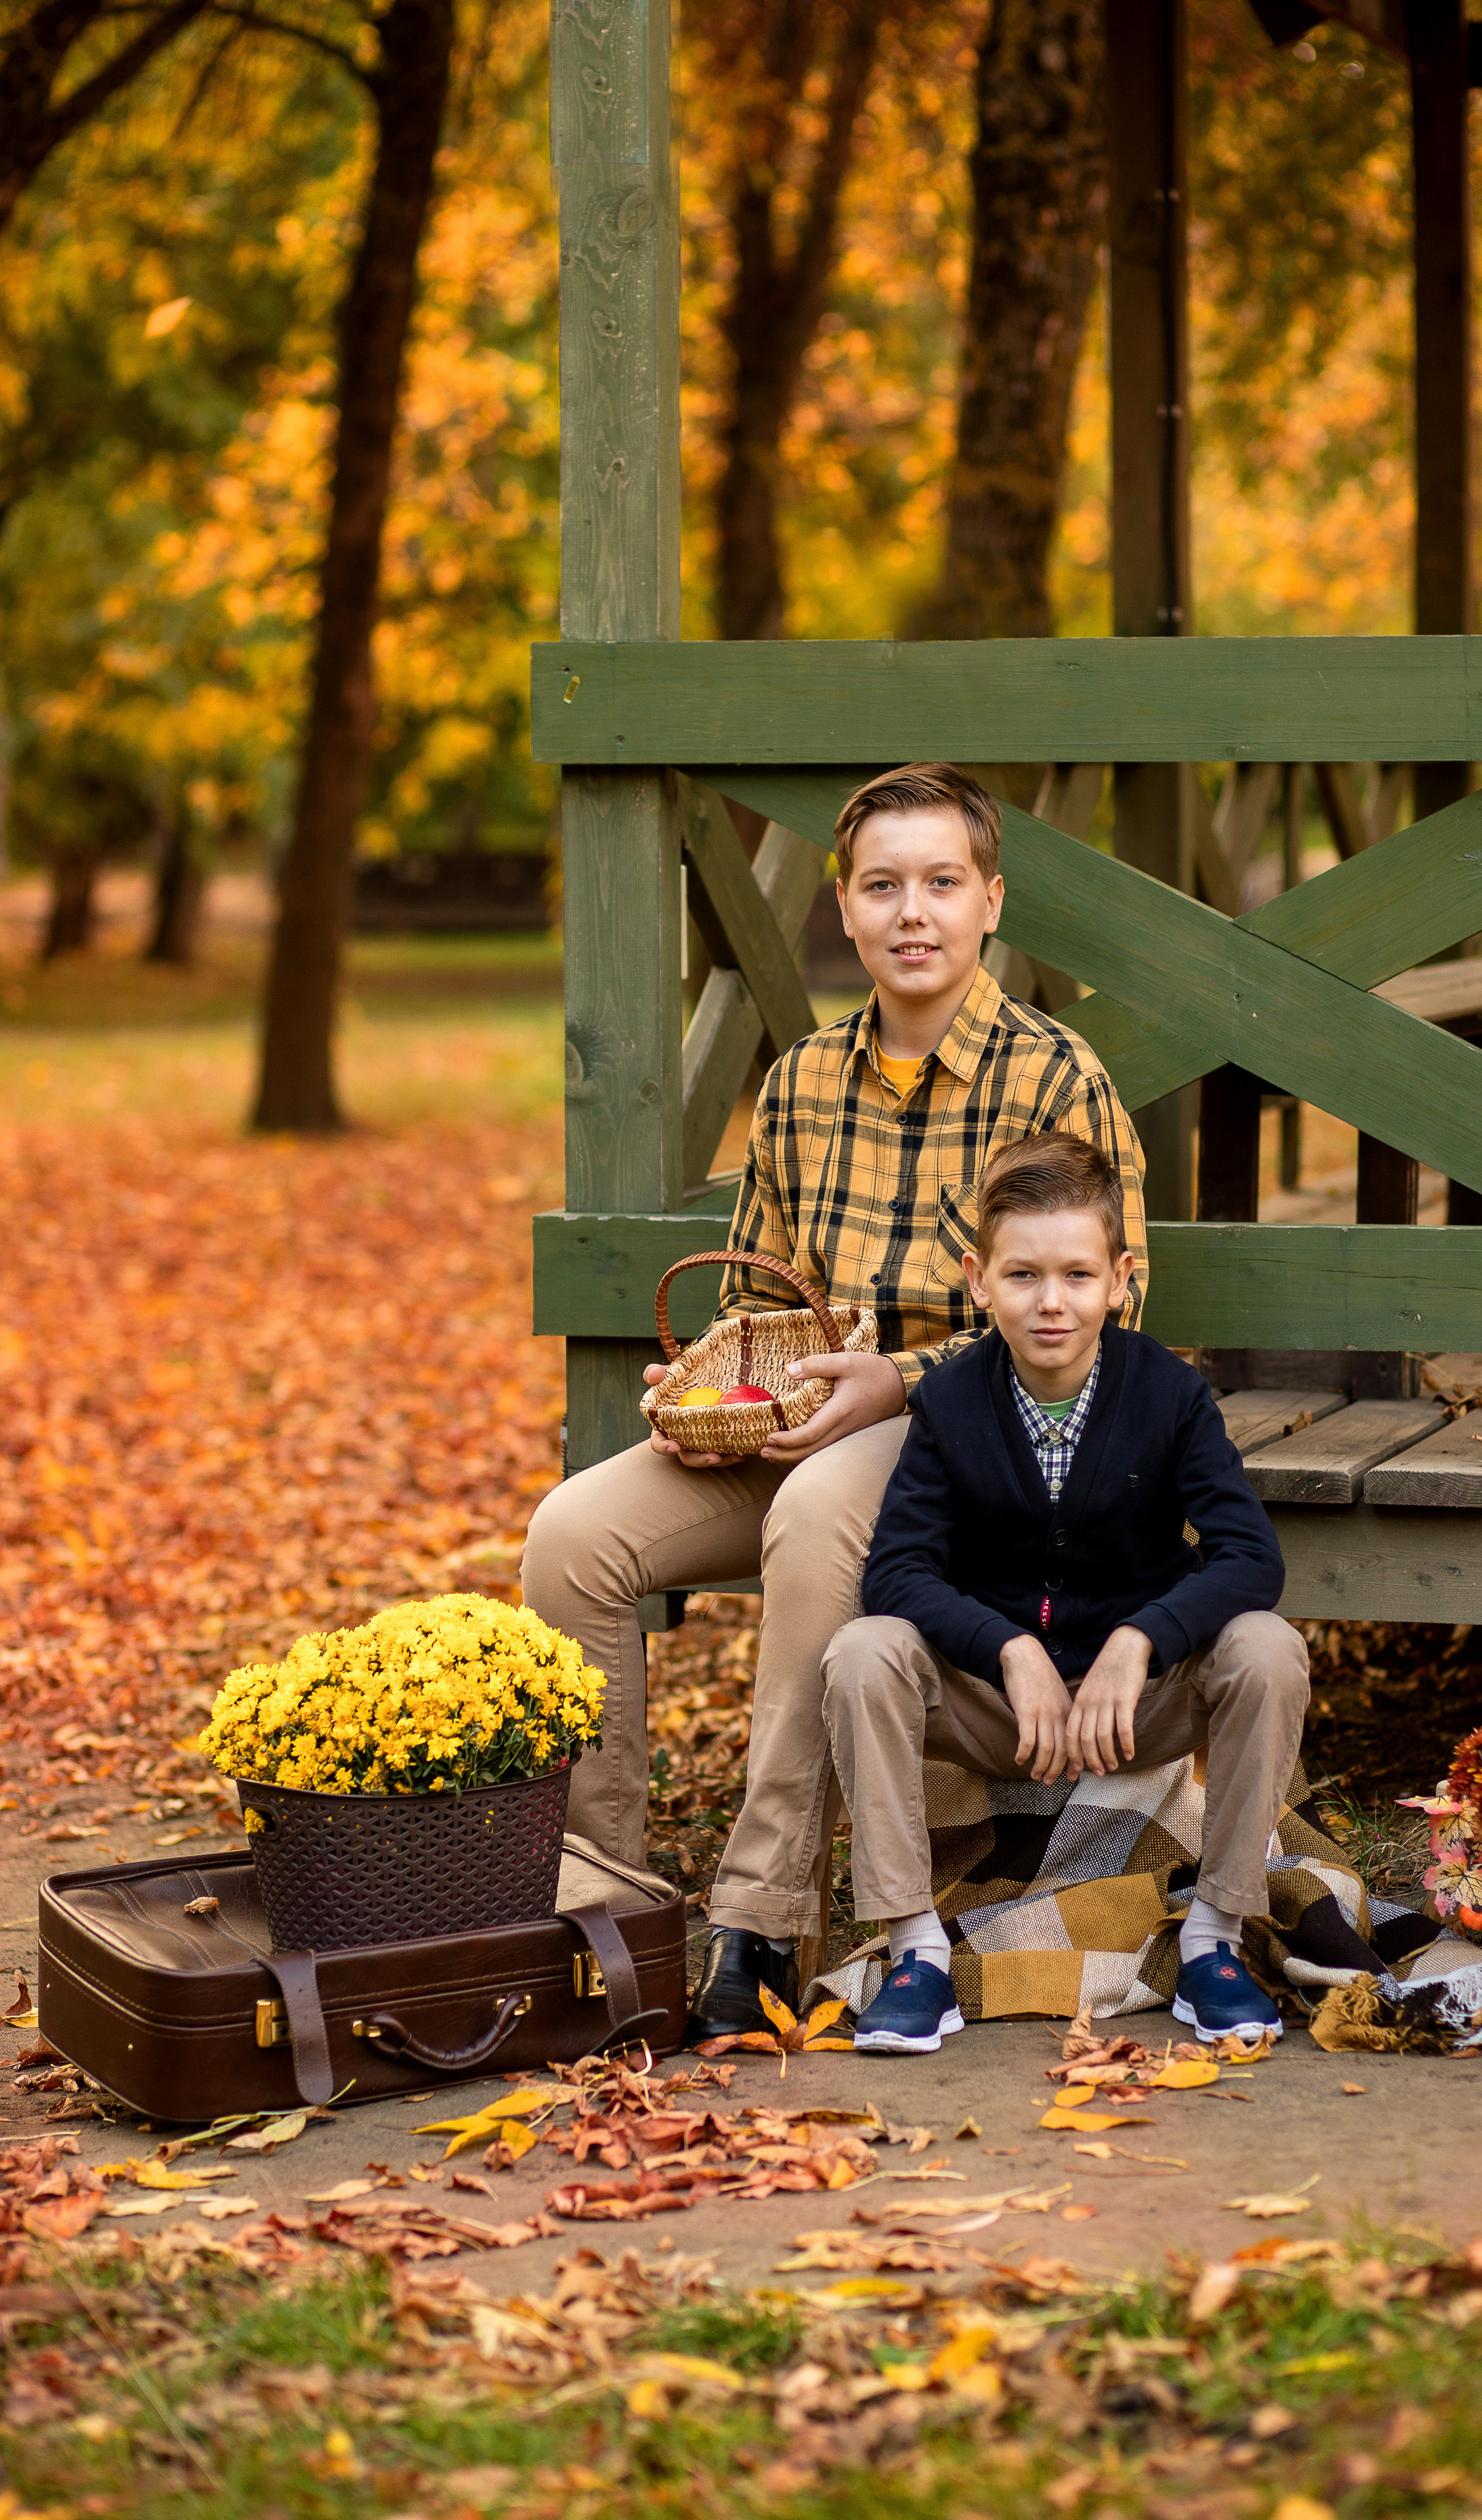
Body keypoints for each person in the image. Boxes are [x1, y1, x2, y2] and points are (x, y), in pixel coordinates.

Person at [520, 763, 1147, 2042]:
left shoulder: (1051, 1079)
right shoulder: (803, 1083)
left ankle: (759, 1923)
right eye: (880, 886)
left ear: (988, 903)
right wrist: (717, 1389)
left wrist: (897, 1384)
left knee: (813, 1517)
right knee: (571, 1537)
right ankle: (608, 1902)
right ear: (846, 910)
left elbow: (1100, 1324)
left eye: (938, 883)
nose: (909, 912)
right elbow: (762, 1295)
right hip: (810, 1417)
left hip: (973, 1433)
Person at [821, 1130, 1309, 2055]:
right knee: (863, 1651)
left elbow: (1251, 1556)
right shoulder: (953, 1402)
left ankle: (1215, 1940)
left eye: (1079, 1276)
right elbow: (897, 1571)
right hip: (1001, 1712)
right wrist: (1008, 1651)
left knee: (1267, 1647)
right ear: (978, 1278)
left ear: (1120, 1278)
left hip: (1138, 1710)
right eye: (1023, 1276)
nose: (1052, 1303)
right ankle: (916, 1950)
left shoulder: (1169, 1395)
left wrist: (1141, 1642)